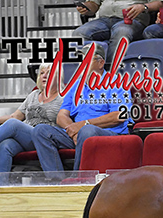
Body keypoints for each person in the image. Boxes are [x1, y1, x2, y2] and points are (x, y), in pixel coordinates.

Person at [32, 43, 132, 172]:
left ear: (101, 63)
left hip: (109, 133)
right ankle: (56, 181)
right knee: (40, 131)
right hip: (79, 133)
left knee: (88, 131)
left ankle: (77, 179)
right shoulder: (76, 85)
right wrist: (74, 131)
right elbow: (62, 116)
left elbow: (119, 115)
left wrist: (84, 125)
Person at [0, 63, 62, 177]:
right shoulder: (33, 95)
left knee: (13, 125)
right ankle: (0, 188)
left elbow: (66, 121)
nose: (44, 76)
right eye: (42, 73)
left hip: (45, 138)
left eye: (49, 72)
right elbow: (15, 117)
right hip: (27, 137)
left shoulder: (63, 97)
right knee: (4, 145)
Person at [73, 0, 163, 66]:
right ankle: (84, 72)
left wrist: (144, 7)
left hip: (133, 19)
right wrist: (86, 7)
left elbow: (160, 3)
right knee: (79, 33)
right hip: (104, 19)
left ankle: (111, 72)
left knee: (121, 32)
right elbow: (94, 5)